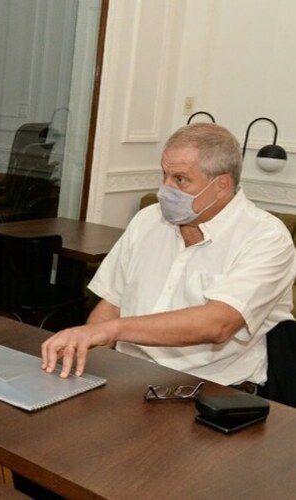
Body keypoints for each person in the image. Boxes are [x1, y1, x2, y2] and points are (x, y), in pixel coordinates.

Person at [41, 123, 296, 389]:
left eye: (180, 179)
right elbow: (112, 303)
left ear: (221, 185)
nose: (165, 190)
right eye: (164, 175)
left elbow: (218, 323)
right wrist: (86, 352)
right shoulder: (147, 220)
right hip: (128, 374)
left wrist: (112, 330)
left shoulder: (266, 237)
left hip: (212, 390)